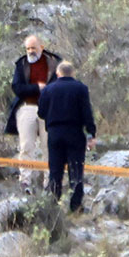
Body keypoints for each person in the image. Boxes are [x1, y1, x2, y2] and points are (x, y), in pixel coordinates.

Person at [5, 35, 63, 193]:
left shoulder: (55, 62)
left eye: (33, 48)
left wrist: (48, 90)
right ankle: (25, 183)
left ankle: (49, 184)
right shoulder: (22, 64)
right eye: (28, 48)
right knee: (26, 146)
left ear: (42, 47)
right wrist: (37, 88)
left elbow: (61, 85)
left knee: (48, 147)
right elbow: (17, 87)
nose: (30, 51)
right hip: (27, 107)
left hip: (50, 110)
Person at [37, 60, 96, 212]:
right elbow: (87, 113)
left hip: (55, 134)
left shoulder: (48, 90)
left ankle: (53, 207)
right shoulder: (81, 88)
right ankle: (76, 207)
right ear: (72, 73)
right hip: (75, 133)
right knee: (76, 171)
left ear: (58, 74)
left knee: (55, 172)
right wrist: (91, 134)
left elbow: (41, 113)